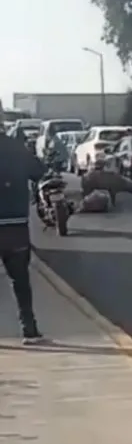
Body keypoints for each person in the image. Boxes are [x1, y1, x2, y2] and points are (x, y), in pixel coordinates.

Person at [0, 131, 47, 344]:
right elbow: (39, 171)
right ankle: (30, 329)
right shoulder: (17, 148)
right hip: (15, 226)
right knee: (20, 279)